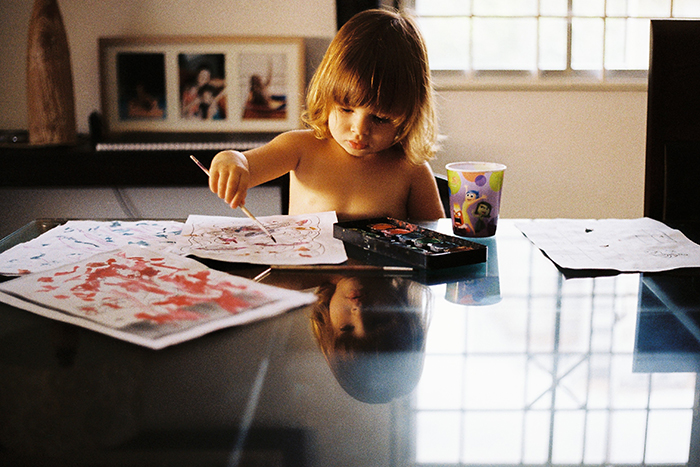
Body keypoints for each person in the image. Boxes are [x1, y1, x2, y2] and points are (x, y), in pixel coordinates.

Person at [208, 9, 445, 221]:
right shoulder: (299, 148)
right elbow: (246, 165)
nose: (360, 129)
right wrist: (230, 160)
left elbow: (438, 241)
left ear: (408, 116)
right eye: (346, 109)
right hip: (305, 270)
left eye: (380, 118)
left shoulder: (411, 169)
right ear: (327, 97)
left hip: (379, 272)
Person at [310, 275, 431, 403]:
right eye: (378, 321)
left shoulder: (297, 277)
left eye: (347, 328)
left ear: (327, 324)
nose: (359, 310)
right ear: (402, 305)